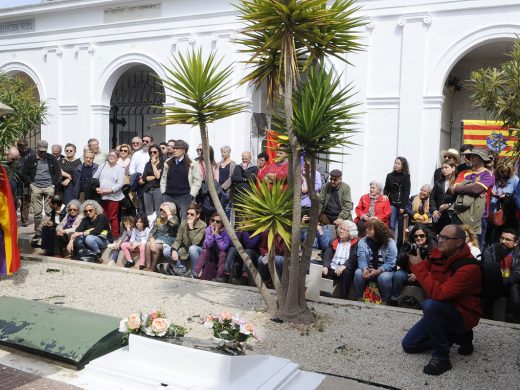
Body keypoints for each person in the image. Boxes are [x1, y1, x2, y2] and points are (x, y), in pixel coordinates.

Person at [402, 224, 482, 376]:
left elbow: (440, 294)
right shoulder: (437, 254)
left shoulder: (470, 268)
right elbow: (421, 270)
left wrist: (418, 265)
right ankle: (457, 336)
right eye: (439, 236)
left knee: (430, 305)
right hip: (439, 310)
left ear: (459, 242)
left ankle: (441, 356)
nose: (439, 241)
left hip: (461, 313)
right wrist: (411, 256)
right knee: (409, 345)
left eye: (445, 238)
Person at [452, 148, 495, 244]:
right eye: (470, 156)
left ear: (481, 158)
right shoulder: (464, 173)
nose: (471, 158)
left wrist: (461, 188)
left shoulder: (488, 174)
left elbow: (477, 189)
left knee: (475, 249)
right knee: (454, 246)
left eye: (474, 156)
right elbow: (452, 189)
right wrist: (470, 188)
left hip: (479, 216)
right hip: (460, 213)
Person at [21, 140, 61, 239]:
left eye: (44, 151)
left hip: (49, 187)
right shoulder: (30, 159)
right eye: (40, 151)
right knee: (37, 212)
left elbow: (58, 173)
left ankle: (46, 230)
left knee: (49, 211)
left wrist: (53, 185)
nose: (42, 153)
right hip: (36, 187)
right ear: (37, 149)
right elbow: (23, 173)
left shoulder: (51, 159)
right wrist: (31, 184)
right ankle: (38, 231)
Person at [353, 218, 397, 304]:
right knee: (358, 273)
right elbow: (361, 258)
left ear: (377, 231)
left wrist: (378, 271)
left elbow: (391, 262)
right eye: (366, 228)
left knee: (383, 278)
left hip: (385, 270)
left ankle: (385, 300)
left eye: (369, 229)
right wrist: (365, 269)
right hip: (369, 268)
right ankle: (358, 298)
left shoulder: (390, 242)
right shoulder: (362, 242)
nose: (366, 230)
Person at [390, 224, 435, 306]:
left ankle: (428, 303)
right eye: (416, 236)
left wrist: (418, 274)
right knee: (398, 275)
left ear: (426, 236)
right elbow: (398, 261)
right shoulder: (408, 244)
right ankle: (394, 299)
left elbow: (432, 265)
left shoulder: (431, 247)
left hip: (425, 273)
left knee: (429, 280)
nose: (418, 238)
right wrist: (407, 254)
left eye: (421, 235)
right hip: (408, 271)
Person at [481, 228, 520, 322]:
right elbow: (487, 266)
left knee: (514, 289)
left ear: (516, 242)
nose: (503, 241)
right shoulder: (492, 249)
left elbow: (518, 273)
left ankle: (512, 319)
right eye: (502, 238)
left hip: (512, 284)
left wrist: (505, 282)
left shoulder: (518, 253)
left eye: (508, 240)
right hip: (495, 282)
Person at [158, 203, 206, 275]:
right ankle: (181, 268)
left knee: (192, 248)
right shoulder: (184, 223)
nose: (189, 216)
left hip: (197, 250)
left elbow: (195, 242)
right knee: (166, 251)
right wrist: (174, 250)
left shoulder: (203, 225)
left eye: (192, 214)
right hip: (184, 249)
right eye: (187, 214)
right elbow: (178, 240)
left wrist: (191, 228)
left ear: (198, 215)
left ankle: (195, 272)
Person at [160, 139, 202, 221]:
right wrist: (163, 192)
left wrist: (192, 194)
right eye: (174, 148)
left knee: (184, 220)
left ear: (184, 150)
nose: (174, 150)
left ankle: (182, 234)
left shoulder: (191, 163)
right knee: (168, 219)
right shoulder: (168, 162)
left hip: (185, 196)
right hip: (169, 195)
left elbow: (197, 180)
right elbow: (163, 178)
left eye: (177, 148)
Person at [320, 220, 359, 299]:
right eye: (340, 228)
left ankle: (343, 297)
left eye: (344, 230)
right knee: (324, 270)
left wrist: (344, 266)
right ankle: (325, 296)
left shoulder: (356, 243)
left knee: (347, 272)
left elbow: (354, 258)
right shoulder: (334, 241)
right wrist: (325, 266)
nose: (341, 231)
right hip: (333, 267)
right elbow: (327, 254)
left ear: (351, 232)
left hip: (345, 268)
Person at [93, 149, 125, 239]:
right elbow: (95, 177)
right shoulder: (102, 165)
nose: (111, 157)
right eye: (110, 155)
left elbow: (120, 184)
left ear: (117, 158)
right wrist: (96, 188)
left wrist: (108, 191)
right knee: (103, 216)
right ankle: (105, 234)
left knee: (112, 217)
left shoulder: (120, 169)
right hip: (101, 196)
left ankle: (115, 236)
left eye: (113, 156)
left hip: (113, 196)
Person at [192, 212, 231, 281]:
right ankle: (195, 272)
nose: (214, 223)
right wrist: (212, 234)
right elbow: (206, 245)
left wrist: (217, 235)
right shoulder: (209, 229)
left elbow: (223, 247)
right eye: (213, 220)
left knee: (223, 253)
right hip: (211, 253)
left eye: (218, 221)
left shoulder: (226, 232)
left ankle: (219, 276)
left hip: (221, 254)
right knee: (205, 250)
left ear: (222, 223)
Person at [145, 202, 179, 272]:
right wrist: (151, 241)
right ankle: (147, 266)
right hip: (158, 239)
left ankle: (153, 267)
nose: (162, 212)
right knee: (148, 244)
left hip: (169, 240)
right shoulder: (158, 220)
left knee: (156, 245)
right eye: (161, 210)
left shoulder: (174, 219)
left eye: (164, 210)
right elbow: (152, 232)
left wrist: (169, 213)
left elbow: (173, 224)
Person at [384, 156, 411, 243]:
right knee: (391, 225)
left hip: (401, 204)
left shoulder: (406, 176)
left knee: (400, 226)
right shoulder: (389, 176)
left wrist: (403, 206)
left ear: (403, 166)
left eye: (399, 163)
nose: (396, 165)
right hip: (392, 203)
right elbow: (386, 188)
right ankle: (390, 244)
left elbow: (407, 192)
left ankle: (399, 246)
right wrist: (385, 196)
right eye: (395, 163)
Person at [430, 160, 457, 234]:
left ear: (453, 168)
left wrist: (448, 205)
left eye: (446, 167)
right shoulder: (439, 182)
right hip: (439, 214)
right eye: (442, 168)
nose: (443, 170)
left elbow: (459, 198)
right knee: (437, 235)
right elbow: (432, 196)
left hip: (451, 215)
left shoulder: (457, 182)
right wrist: (434, 210)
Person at [129, 136, 151, 214]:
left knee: (150, 206)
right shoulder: (136, 154)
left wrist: (145, 177)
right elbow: (131, 168)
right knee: (141, 205)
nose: (145, 143)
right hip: (140, 182)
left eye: (147, 141)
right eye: (143, 141)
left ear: (151, 143)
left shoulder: (153, 153)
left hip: (151, 182)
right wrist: (136, 177)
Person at [142, 144, 164, 220]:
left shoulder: (163, 164)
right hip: (147, 190)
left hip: (158, 189)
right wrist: (155, 176)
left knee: (159, 212)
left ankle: (159, 230)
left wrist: (153, 164)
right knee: (149, 213)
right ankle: (149, 230)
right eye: (151, 152)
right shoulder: (147, 164)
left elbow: (159, 176)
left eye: (155, 152)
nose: (152, 154)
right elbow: (144, 177)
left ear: (159, 152)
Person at [16, 139, 34, 227]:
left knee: (26, 200)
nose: (24, 149)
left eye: (25, 147)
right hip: (17, 180)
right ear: (19, 147)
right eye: (22, 148)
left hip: (27, 181)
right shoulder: (16, 153)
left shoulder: (32, 153)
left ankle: (24, 219)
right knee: (16, 199)